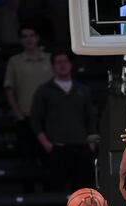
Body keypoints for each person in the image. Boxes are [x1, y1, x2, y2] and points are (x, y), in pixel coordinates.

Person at [30, 50, 97, 192]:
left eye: (65, 61)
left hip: (81, 147)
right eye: (58, 62)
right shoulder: (44, 90)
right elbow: (35, 119)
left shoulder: (83, 90)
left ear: (71, 64)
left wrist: (91, 144)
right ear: (53, 66)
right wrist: (47, 145)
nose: (62, 65)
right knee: (54, 190)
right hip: (56, 148)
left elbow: (91, 118)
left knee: (81, 191)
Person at [4, 24, 53, 193]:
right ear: (21, 40)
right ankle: (29, 203)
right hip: (25, 119)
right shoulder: (15, 61)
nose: (29, 39)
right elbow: (10, 89)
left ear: (37, 37)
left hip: (48, 121)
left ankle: (50, 200)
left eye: (32, 35)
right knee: (27, 162)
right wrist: (18, 114)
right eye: (25, 36)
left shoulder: (50, 59)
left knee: (49, 161)